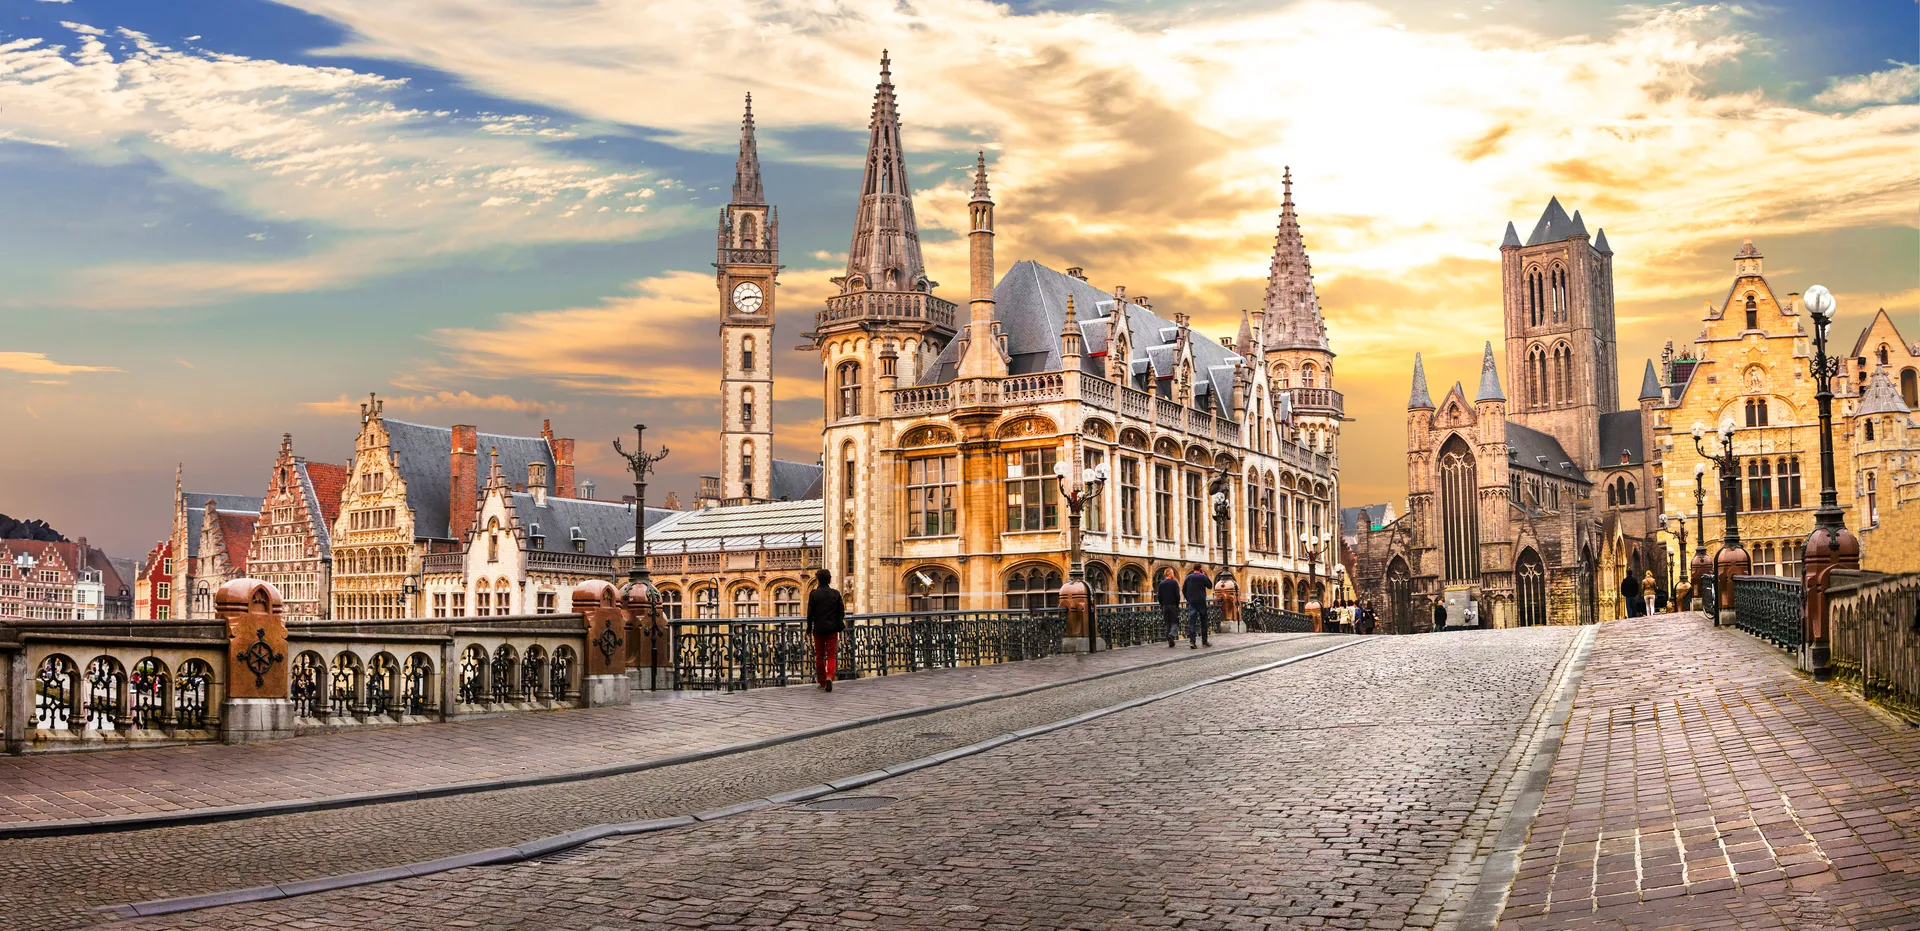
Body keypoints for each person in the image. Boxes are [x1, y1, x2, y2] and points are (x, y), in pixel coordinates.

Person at [805, 568, 845, 692]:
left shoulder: (814, 594)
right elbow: (841, 612)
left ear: (818, 580)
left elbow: (810, 614)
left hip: (819, 629)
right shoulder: (836, 593)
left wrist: (808, 628)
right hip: (832, 629)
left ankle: (822, 681)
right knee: (832, 655)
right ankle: (829, 676)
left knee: (820, 656)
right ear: (829, 579)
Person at [1182, 564, 1212, 649]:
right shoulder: (1202, 577)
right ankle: (1204, 642)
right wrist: (1204, 575)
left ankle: (1192, 642)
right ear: (1200, 569)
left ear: (1193, 569)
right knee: (1204, 622)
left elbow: (1184, 589)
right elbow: (1210, 585)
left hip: (1192, 602)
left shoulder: (1188, 578)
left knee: (1192, 623)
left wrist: (1188, 599)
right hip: (1201, 602)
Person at [1156, 567, 1182, 648]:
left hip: (1165, 606)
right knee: (1175, 622)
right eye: (1173, 573)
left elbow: (1159, 596)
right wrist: (1177, 604)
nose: (1173, 574)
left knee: (1167, 623)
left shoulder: (1161, 584)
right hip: (1173, 605)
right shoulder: (1174, 582)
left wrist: (1162, 604)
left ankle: (1170, 641)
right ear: (1170, 574)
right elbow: (1177, 595)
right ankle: (1172, 634)